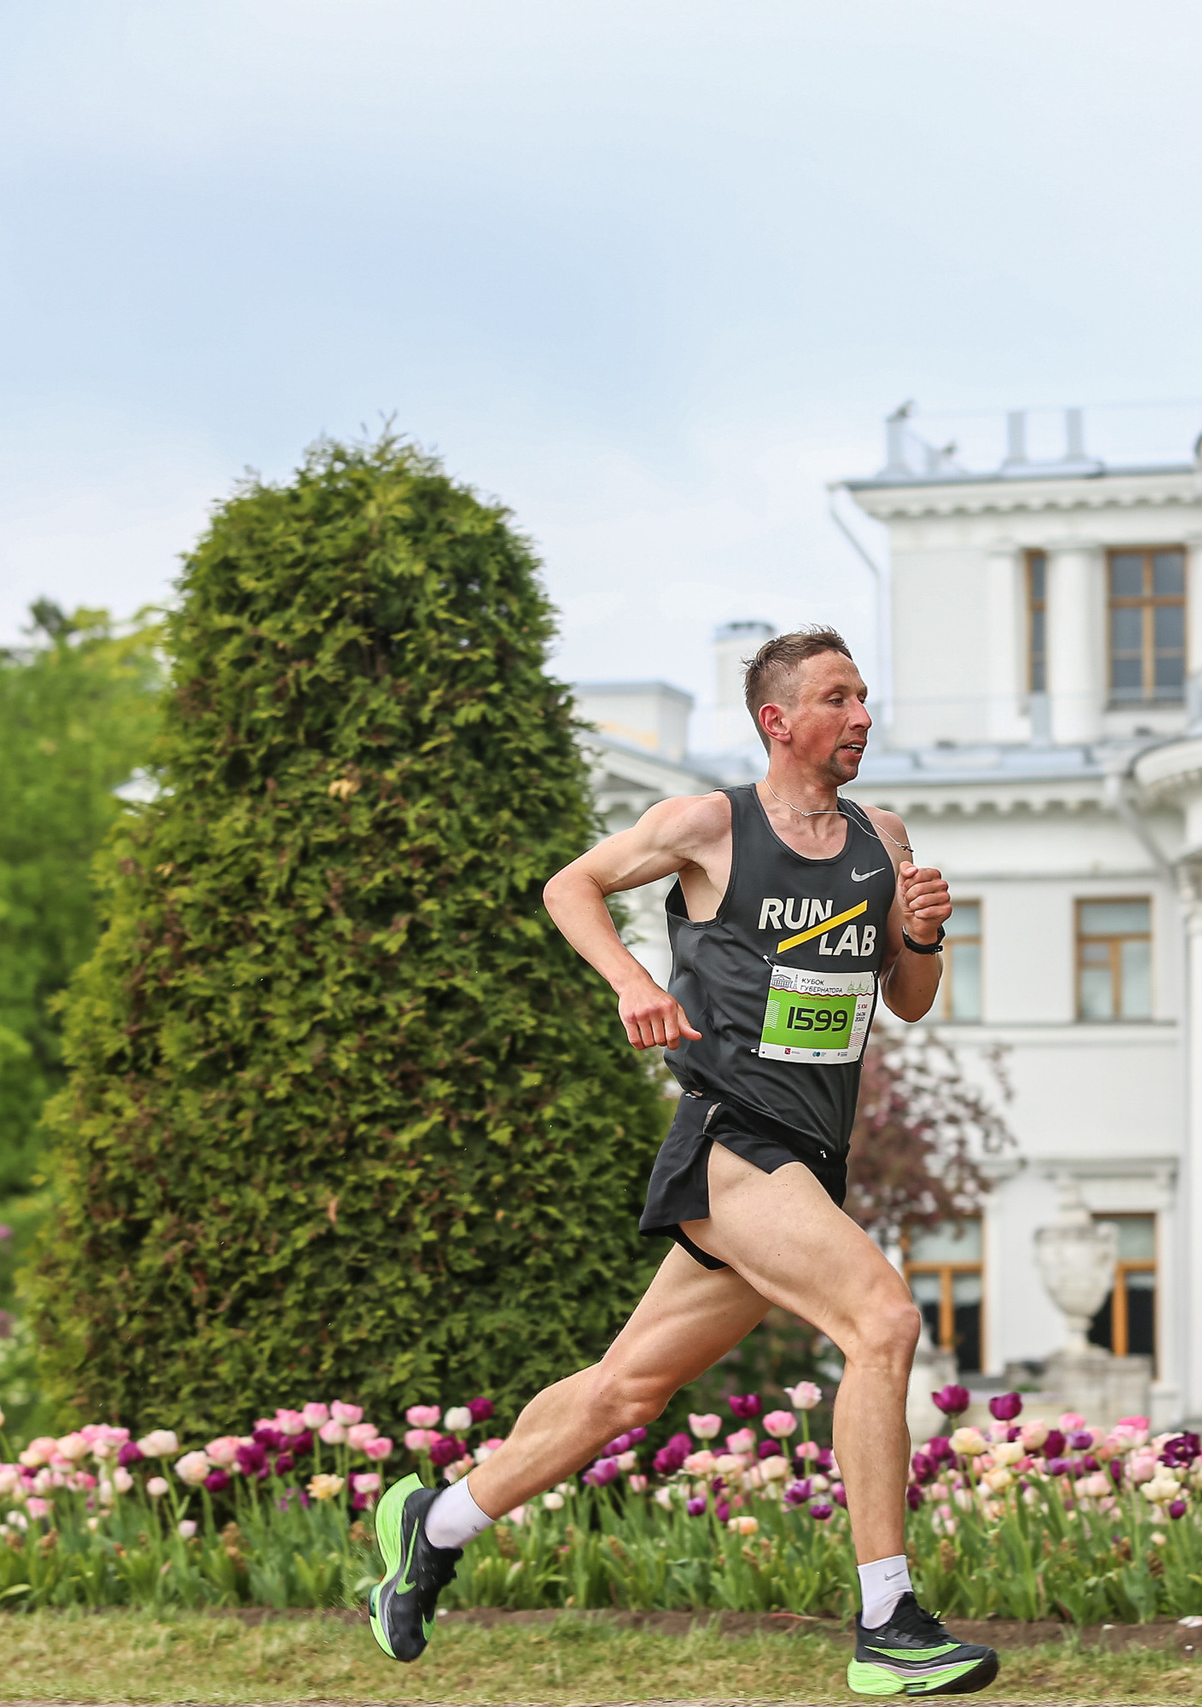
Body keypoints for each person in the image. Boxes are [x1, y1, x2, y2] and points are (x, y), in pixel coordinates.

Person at [368, 626, 998, 1697]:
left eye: (864, 699)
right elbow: (572, 887)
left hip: (808, 1156)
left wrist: (925, 938)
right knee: (882, 1321)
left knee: (625, 1391)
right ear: (776, 719)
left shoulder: (878, 836)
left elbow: (903, 999)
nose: (861, 717)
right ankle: (888, 1619)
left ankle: (438, 1520)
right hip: (731, 1141)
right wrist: (630, 981)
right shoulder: (710, 826)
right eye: (838, 699)